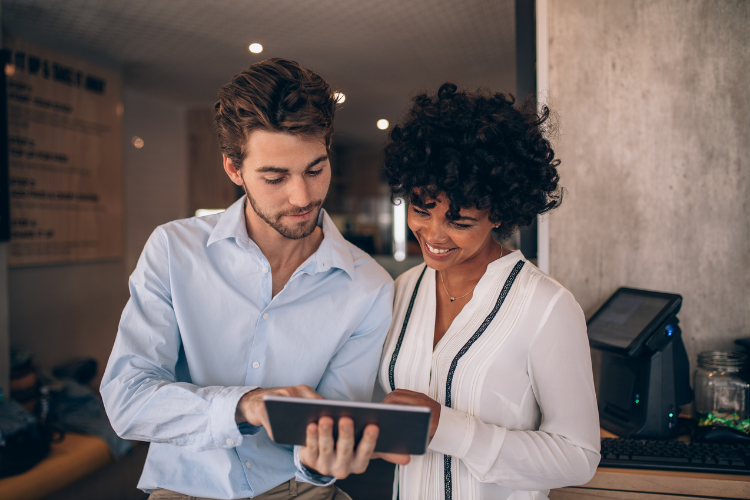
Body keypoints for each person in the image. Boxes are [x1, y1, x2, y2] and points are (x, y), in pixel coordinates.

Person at [100, 58, 401, 500]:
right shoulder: (173, 250)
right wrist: (244, 406)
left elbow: (329, 434)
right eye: (275, 177)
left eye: (315, 170)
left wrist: (324, 460)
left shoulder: (369, 286)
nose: (302, 197)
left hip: (300, 490)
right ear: (234, 170)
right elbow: (128, 399)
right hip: (186, 487)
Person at [378, 83, 600, 500]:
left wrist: (447, 429)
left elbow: (579, 456)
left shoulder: (547, 307)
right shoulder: (402, 290)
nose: (433, 234)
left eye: (459, 222)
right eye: (421, 211)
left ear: (499, 212)